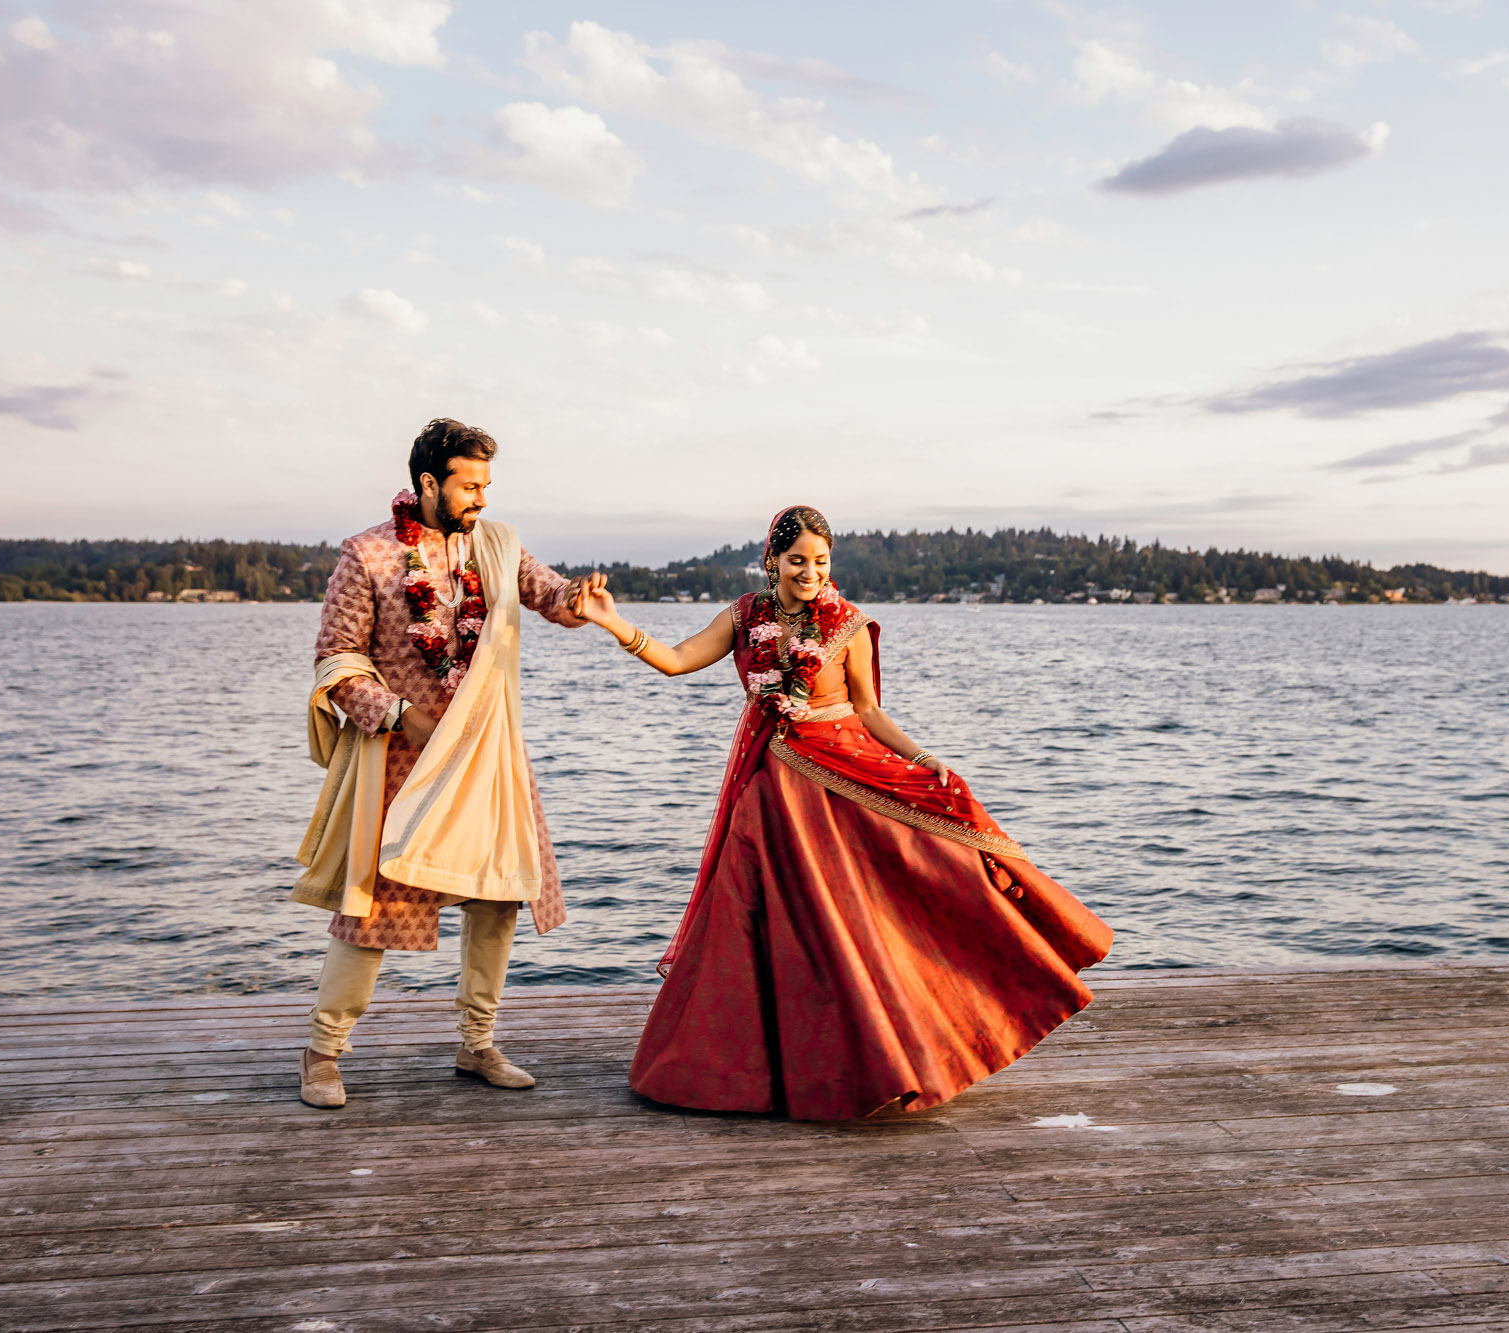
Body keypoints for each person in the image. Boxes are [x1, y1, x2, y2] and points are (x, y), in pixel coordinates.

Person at [577, 505, 1112, 1120]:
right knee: (749, 923)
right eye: (797, 560)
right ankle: (736, 1073)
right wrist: (612, 623)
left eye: (821, 561)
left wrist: (923, 756)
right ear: (771, 560)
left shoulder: (847, 624)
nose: (810, 572)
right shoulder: (744, 615)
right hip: (767, 789)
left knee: (851, 918)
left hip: (840, 782)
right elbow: (675, 660)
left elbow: (870, 710)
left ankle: (883, 1054)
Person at [288, 418, 603, 1109]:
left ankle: (477, 1041)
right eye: (470, 484)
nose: (482, 498)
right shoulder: (368, 554)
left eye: (488, 484)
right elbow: (337, 660)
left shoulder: (496, 544)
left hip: (487, 754)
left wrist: (581, 601)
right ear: (428, 482)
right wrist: (404, 715)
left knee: (497, 894)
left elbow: (549, 595)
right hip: (402, 760)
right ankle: (322, 1050)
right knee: (373, 907)